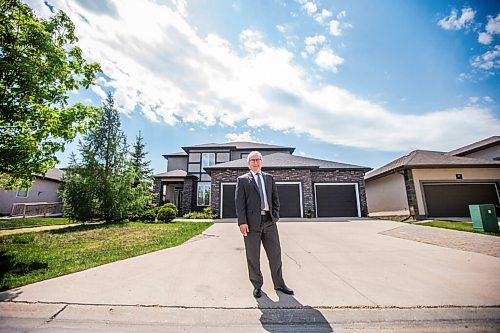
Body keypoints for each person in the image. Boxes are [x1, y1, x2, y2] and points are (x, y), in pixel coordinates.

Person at [235, 151, 294, 298]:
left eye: (258, 159)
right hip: (251, 224)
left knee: (275, 255)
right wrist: (242, 222)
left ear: (262, 162)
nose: (255, 162)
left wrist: (275, 215)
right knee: (253, 256)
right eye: (252, 160)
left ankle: (279, 284)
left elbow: (275, 199)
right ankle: (257, 285)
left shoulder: (269, 178)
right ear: (248, 163)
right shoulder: (242, 180)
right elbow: (239, 203)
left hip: (269, 222)